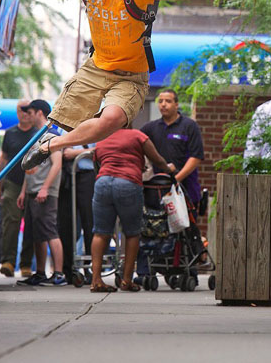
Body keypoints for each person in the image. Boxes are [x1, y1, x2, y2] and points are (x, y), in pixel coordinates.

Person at [0, 0, 268, 171]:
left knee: (110, 121)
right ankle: (52, 137)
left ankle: (50, 145)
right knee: (59, 118)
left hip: (131, 77)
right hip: (96, 67)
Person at [90, 127, 175, 292]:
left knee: (100, 232)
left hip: (103, 183)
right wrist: (168, 169)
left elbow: (98, 161)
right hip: (127, 183)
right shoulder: (138, 136)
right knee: (132, 232)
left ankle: (96, 280)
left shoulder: (103, 136)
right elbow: (157, 159)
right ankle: (127, 280)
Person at [15, 100, 66, 287]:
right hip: (32, 190)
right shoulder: (35, 136)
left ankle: (59, 273)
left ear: (39, 113)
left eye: (31, 112)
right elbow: (28, 167)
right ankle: (40, 273)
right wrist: (23, 191)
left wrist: (45, 188)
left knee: (49, 230)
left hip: (45, 192)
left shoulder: (51, 135)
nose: (28, 116)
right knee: (37, 233)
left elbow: (57, 164)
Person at [141, 89, 204, 209]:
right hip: (158, 188)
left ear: (176, 104)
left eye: (168, 101)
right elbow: (134, 143)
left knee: (187, 225)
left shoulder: (189, 126)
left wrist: (176, 179)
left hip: (186, 188)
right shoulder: (151, 127)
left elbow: (196, 157)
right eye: (160, 101)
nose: (163, 104)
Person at [0, 100, 37, 278]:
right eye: (22, 110)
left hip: (34, 183)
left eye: (29, 110)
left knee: (31, 224)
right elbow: (3, 158)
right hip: (12, 183)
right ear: (17, 112)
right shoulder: (10, 132)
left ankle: (26, 264)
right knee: (10, 222)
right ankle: (8, 261)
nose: (25, 113)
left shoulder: (38, 133)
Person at [58, 144, 95, 285]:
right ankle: (67, 269)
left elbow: (98, 149)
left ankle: (91, 268)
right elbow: (61, 150)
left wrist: (76, 152)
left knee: (89, 222)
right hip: (67, 175)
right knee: (66, 224)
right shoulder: (63, 129)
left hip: (88, 176)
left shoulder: (94, 126)